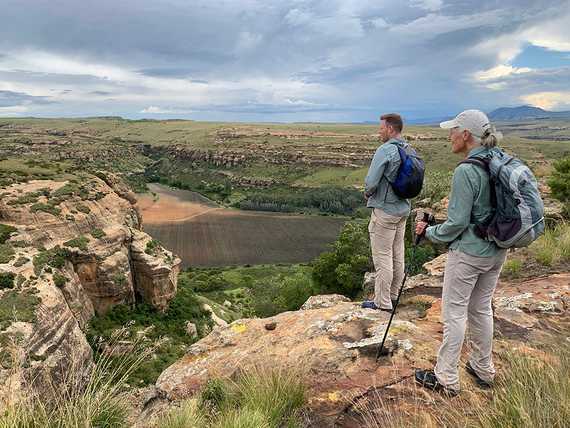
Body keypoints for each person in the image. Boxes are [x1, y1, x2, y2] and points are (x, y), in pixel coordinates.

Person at [414, 109, 506, 396]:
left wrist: (428, 233)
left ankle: (446, 379)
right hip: (496, 250)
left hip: (468, 253)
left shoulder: (467, 170)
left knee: (454, 313)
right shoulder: (499, 160)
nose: (449, 136)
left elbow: (456, 224)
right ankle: (483, 369)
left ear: (466, 134)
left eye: (452, 131)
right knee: (480, 309)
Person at [361, 113, 411, 312]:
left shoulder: (385, 150)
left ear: (390, 129)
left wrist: (367, 193)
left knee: (382, 257)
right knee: (397, 254)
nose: (379, 131)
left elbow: (371, 182)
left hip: (385, 210)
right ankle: (393, 295)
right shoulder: (407, 148)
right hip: (403, 210)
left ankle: (382, 303)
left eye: (381, 128)